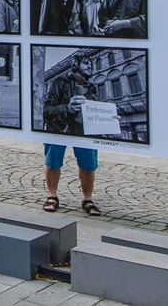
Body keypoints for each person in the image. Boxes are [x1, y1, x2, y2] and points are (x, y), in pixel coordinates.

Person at [41, 55, 103, 217]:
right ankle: (52, 196)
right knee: (53, 163)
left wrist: (108, 119)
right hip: (58, 129)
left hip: (84, 131)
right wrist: (68, 108)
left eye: (91, 63)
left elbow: (96, 109)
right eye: (86, 63)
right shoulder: (58, 82)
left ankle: (87, 199)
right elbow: (46, 110)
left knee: (89, 165)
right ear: (75, 65)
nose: (90, 66)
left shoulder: (92, 87)